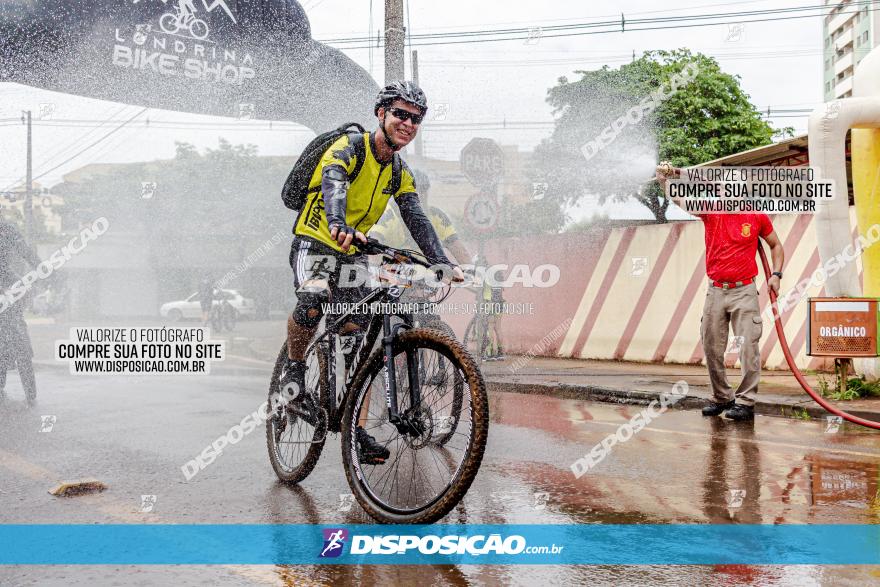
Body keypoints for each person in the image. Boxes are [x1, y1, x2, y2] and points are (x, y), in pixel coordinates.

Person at [281, 81, 464, 464]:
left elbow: (416, 216)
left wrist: (441, 261)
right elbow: (334, 182)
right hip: (316, 242)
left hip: (354, 255)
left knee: (358, 338)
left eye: (416, 119)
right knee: (313, 298)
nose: (408, 123)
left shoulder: (399, 171)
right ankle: (294, 374)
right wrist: (336, 222)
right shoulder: (349, 146)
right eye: (400, 114)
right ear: (381, 113)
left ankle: (354, 428)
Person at [657, 163, 784, 421]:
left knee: (748, 346)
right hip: (715, 290)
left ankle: (746, 403)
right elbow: (681, 199)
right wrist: (664, 181)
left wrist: (776, 275)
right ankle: (722, 397)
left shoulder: (756, 216)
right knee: (712, 346)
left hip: (745, 291)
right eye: (726, 187)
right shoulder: (712, 211)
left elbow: (776, 245)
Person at [0, 216, 41, 405]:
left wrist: (41, 268)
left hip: (9, 286)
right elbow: (26, 252)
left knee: (18, 339)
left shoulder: (7, 228)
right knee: (14, 339)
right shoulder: (7, 228)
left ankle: (30, 393)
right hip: (8, 285)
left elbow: (25, 251)